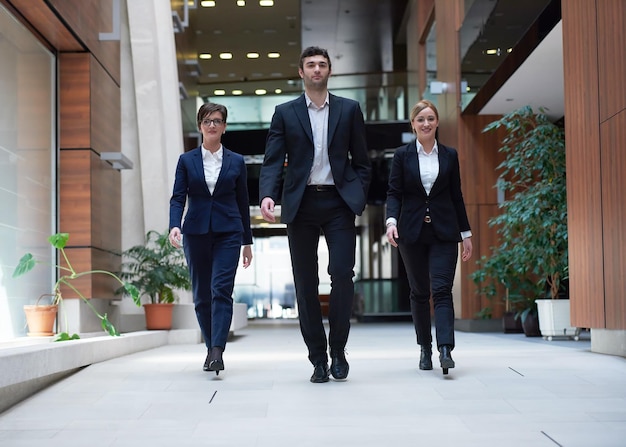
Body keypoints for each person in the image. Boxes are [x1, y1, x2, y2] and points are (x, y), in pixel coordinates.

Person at [259, 46, 371, 383]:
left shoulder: (349, 109)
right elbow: (272, 160)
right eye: (311, 65)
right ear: (301, 72)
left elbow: (363, 161)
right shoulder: (285, 112)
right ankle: (318, 359)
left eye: (322, 64)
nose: (317, 69)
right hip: (301, 204)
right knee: (305, 283)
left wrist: (358, 193)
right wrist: (267, 195)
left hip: (338, 202)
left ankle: (338, 350)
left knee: (341, 274)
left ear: (329, 71)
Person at [385, 99, 472, 375]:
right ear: (413, 124)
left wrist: (466, 233)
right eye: (420, 119)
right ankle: (425, 347)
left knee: (442, 290)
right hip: (411, 232)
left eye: (430, 118)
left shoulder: (449, 155)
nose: (426, 123)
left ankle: (445, 348)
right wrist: (390, 222)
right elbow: (394, 192)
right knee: (420, 292)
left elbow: (456, 196)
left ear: (436, 123)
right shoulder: (402, 155)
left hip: (444, 232)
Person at [169, 102, 253, 375]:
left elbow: (243, 202)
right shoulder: (186, 161)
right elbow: (178, 197)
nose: (213, 125)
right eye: (207, 121)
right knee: (201, 296)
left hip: (229, 232)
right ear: (200, 126)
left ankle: (218, 350)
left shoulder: (237, 161)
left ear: (224, 126)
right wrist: (174, 226)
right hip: (195, 233)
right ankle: (210, 346)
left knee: (221, 290)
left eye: (217, 121)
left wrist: (247, 242)